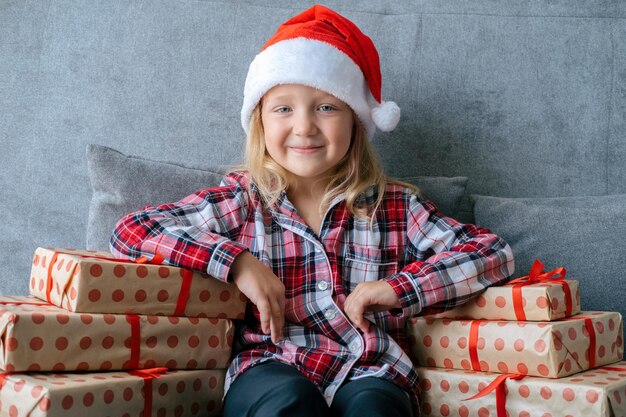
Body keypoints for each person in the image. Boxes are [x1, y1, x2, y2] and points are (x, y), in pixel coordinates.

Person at [110, 5, 514, 417]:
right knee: (287, 404)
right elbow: (133, 230)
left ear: (356, 122)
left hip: (369, 369)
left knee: (375, 409)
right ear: (261, 123)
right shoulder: (242, 201)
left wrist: (398, 289)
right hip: (270, 364)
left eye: (326, 107)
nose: (304, 127)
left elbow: (490, 252)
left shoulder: (395, 207)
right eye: (283, 108)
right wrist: (239, 263)